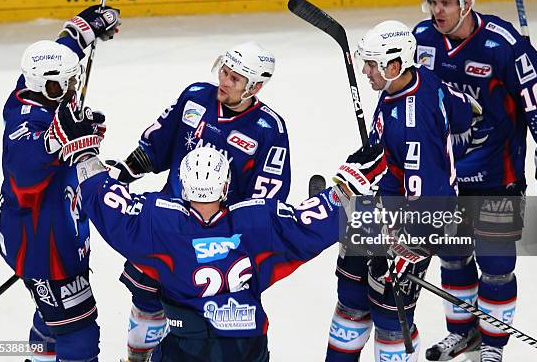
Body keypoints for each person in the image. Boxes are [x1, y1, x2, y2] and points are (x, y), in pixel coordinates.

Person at [48, 108, 387, 362]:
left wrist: (84, 151)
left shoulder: (158, 221)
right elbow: (309, 221)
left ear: (182, 182)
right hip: (247, 349)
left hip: (186, 350)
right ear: (226, 185)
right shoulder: (259, 221)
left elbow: (103, 199)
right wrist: (346, 190)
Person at [414, 0, 537, 362]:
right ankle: (463, 333)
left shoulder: (502, 44)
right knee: (453, 257)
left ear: (467, 2)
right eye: (434, 2)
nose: (439, 10)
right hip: (445, 176)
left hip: (497, 177)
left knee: (496, 265)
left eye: (447, 2)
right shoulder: (421, 40)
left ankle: (493, 345)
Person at [106, 41, 292, 361]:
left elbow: (266, 199)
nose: (224, 80)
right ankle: (137, 358)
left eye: (235, 79)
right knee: (147, 299)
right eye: (224, 70)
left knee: (198, 321)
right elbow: (157, 143)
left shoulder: (268, 129)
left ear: (256, 86)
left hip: (216, 242)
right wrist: (124, 172)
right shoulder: (195, 96)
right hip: (168, 224)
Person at [325, 20, 474, 362]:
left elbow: (430, 199)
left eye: (372, 64)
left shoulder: (413, 125)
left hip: (415, 224)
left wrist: (406, 247)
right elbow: (464, 112)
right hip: (377, 208)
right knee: (350, 299)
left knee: (391, 317)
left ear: (394, 66)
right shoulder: (416, 79)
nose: (365, 71)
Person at [0, 5, 120, 361]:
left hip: (53, 236)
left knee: (53, 320)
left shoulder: (30, 89)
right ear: (47, 85)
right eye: (65, 83)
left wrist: (83, 31)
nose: (73, 88)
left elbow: (56, 56)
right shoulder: (25, 126)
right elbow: (24, 175)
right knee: (79, 332)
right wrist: (60, 139)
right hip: (43, 248)